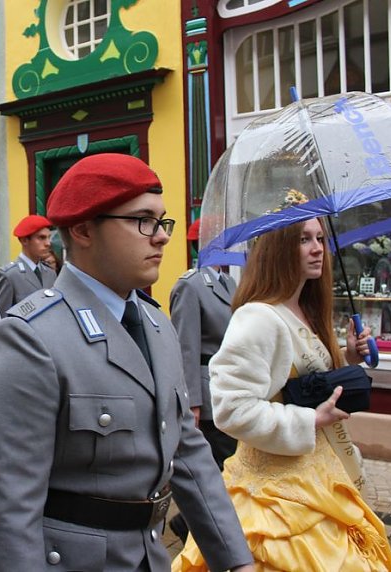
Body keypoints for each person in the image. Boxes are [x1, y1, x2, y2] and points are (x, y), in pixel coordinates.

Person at [0, 154, 253, 572]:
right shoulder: (30, 339)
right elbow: (4, 513)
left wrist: (234, 560)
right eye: (142, 220)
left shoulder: (157, 324)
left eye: (162, 222)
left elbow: (187, 452)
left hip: (149, 556)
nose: (161, 237)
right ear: (83, 230)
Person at [174, 197, 391, 570]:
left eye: (320, 239)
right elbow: (231, 408)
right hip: (273, 495)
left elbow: (304, 380)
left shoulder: (307, 311)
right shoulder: (258, 317)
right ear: (278, 249)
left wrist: (349, 359)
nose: (316, 249)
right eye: (303, 239)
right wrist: (309, 421)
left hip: (318, 473)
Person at [166, 218, 238, 542]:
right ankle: (194, 524)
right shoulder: (190, 285)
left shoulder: (229, 284)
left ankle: (190, 523)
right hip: (208, 393)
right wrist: (190, 401)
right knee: (220, 467)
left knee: (230, 467)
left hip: (232, 385)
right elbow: (186, 347)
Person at [0, 214, 56, 315]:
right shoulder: (9, 275)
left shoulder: (50, 273)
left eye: (49, 237)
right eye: (41, 238)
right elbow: (1, 319)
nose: (48, 243)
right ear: (24, 240)